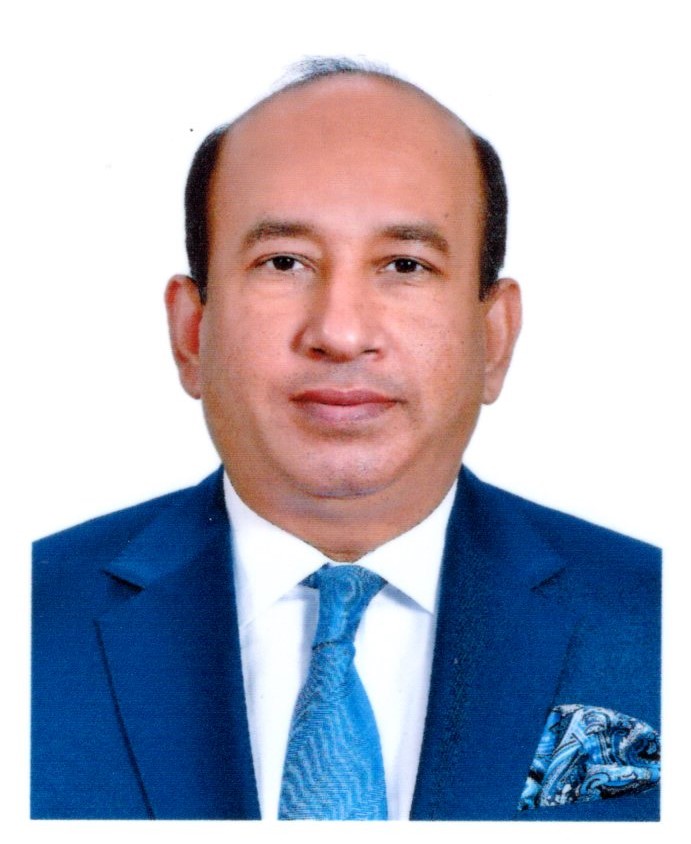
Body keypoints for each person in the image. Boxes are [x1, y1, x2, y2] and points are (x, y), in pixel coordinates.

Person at [32, 58, 661, 821]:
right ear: (191, 331)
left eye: (405, 264)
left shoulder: (660, 621)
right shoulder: (27, 622)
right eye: (283, 262)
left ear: (494, 337)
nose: (339, 331)